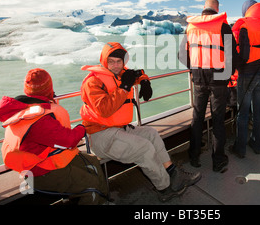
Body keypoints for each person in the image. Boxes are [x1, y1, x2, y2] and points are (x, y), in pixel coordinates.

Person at [80, 42, 201, 202]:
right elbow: (103, 109)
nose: (116, 65)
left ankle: (173, 173)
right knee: (144, 149)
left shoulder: (121, 74)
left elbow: (139, 74)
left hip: (120, 129)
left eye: (119, 61)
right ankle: (165, 188)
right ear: (104, 61)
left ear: (124, 62)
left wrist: (144, 81)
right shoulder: (93, 82)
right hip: (100, 135)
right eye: (111, 61)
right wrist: (124, 88)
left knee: (151, 134)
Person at [0, 68, 108, 205]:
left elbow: (52, 138)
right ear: (49, 88)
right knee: (91, 185)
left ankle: (103, 201)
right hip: (40, 172)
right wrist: (81, 128)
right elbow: (69, 141)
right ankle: (95, 197)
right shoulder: (38, 118)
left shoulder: (26, 107)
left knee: (93, 161)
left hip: (47, 161)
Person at [179, 0, 239, 172]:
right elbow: (232, 56)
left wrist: (194, 69)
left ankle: (194, 156)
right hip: (218, 79)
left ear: (204, 8)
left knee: (197, 118)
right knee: (218, 120)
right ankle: (218, 160)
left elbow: (182, 55)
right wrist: (227, 76)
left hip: (198, 78)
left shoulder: (191, 27)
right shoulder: (223, 26)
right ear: (217, 8)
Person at [230, 0, 260, 158]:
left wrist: (237, 67)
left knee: (243, 113)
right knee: (258, 111)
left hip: (247, 75)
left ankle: (240, 149)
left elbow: (245, 55)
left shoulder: (244, 26)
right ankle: (257, 144)